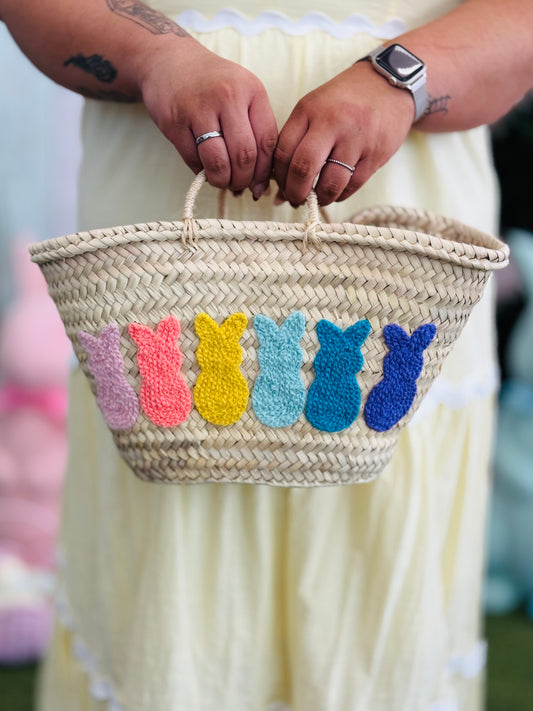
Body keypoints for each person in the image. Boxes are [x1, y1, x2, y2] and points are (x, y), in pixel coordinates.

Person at [1, 1, 533, 709]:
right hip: (156, 237)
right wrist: (160, 57)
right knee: (166, 577)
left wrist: (399, 78)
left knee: (369, 595)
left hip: (394, 246)